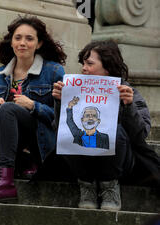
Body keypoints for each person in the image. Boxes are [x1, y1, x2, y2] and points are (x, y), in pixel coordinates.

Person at [52, 39, 156, 211]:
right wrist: (59, 103)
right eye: (83, 63)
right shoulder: (73, 91)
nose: (84, 68)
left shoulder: (128, 92)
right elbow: (60, 130)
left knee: (112, 130)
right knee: (71, 134)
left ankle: (109, 186)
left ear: (107, 67)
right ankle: (86, 185)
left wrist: (128, 106)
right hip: (82, 160)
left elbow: (140, 135)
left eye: (89, 63)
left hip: (119, 162)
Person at [0, 16, 66, 202]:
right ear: (12, 41)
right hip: (12, 137)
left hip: (40, 140)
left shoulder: (54, 71)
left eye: (29, 39)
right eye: (18, 38)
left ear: (39, 44)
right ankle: (11, 161)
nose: (22, 43)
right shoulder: (0, 74)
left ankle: (6, 180)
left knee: (8, 110)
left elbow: (61, 118)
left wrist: (33, 105)